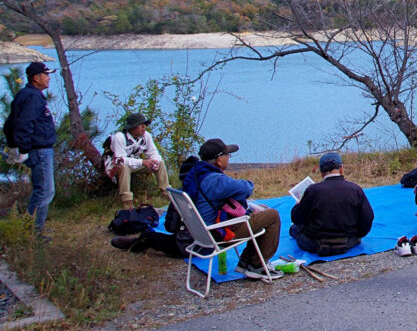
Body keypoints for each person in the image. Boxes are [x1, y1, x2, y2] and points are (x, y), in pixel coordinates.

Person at [182, 138, 283, 280]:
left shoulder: (196, 174)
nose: (229, 158)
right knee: (271, 216)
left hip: (202, 231)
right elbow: (246, 189)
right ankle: (257, 266)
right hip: (218, 232)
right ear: (218, 160)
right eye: (227, 155)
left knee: (256, 215)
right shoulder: (216, 180)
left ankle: (246, 262)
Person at [6, 62, 58, 234]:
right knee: (45, 191)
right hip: (39, 150)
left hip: (39, 149)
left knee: (43, 190)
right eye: (46, 74)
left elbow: (9, 123)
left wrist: (14, 145)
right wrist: (23, 148)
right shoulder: (32, 97)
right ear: (36, 78)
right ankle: (33, 233)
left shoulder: (25, 94)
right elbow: (24, 123)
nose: (49, 78)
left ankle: (35, 228)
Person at [290, 152, 374, 256]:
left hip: (316, 243)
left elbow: (297, 218)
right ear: (341, 168)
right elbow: (368, 217)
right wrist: (357, 234)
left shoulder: (313, 191)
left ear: (321, 171)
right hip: (348, 241)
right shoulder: (355, 189)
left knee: (295, 228)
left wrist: (299, 205)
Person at [103, 113, 170, 210]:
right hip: (115, 167)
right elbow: (121, 159)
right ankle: (127, 202)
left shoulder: (146, 136)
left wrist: (154, 161)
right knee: (124, 168)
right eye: (141, 125)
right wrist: (142, 162)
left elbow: (153, 152)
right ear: (132, 128)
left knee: (160, 163)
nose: (144, 127)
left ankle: (166, 192)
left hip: (135, 164)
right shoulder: (120, 137)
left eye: (144, 125)